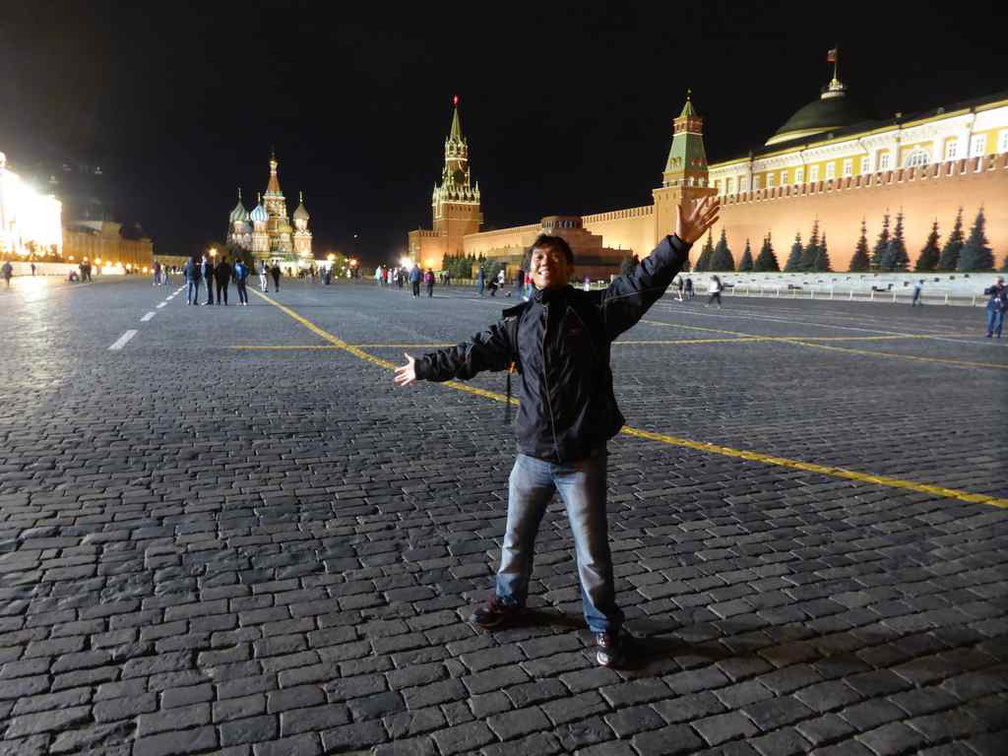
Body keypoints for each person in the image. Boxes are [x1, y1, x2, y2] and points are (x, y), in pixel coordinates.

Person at [394, 197, 719, 667]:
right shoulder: (518, 322)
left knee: (592, 553)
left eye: (555, 258)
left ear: (568, 268)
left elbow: (641, 283)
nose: (545, 263)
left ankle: (605, 627)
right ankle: (509, 601)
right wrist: (425, 366)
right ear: (531, 272)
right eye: (538, 258)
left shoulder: (595, 312)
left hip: (581, 457)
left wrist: (679, 242)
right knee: (515, 540)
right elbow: (471, 354)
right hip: (531, 457)